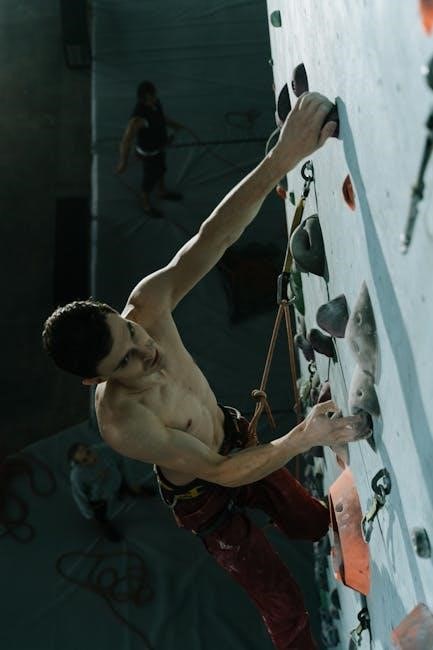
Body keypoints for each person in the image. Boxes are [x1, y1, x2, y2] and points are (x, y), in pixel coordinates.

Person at [43, 92, 372, 649]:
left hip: (230, 432)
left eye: (131, 334)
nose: (145, 351)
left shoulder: (147, 304)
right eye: (123, 361)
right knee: (283, 607)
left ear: (114, 312)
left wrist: (282, 158)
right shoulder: (124, 423)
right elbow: (219, 472)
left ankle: (327, 530)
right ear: (95, 381)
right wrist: (302, 437)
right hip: (205, 495)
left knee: (312, 522)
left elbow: (213, 238)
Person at [116, 80, 184, 216]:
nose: (153, 99)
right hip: (148, 153)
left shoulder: (156, 103)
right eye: (150, 98)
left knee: (162, 169)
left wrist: (174, 125)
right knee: (149, 178)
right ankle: (145, 203)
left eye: (154, 96)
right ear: (143, 99)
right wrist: (123, 162)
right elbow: (126, 141)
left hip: (160, 147)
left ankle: (161, 191)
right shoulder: (138, 118)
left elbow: (160, 117)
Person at [68, 441, 154, 542]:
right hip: (99, 497)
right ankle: (104, 525)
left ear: (90, 448)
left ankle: (129, 490)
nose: (91, 459)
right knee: (99, 515)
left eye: (88, 452)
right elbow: (79, 496)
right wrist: (88, 514)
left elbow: (122, 459)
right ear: (79, 464)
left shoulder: (103, 450)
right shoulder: (77, 476)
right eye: (85, 460)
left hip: (116, 482)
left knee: (124, 486)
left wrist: (132, 483)